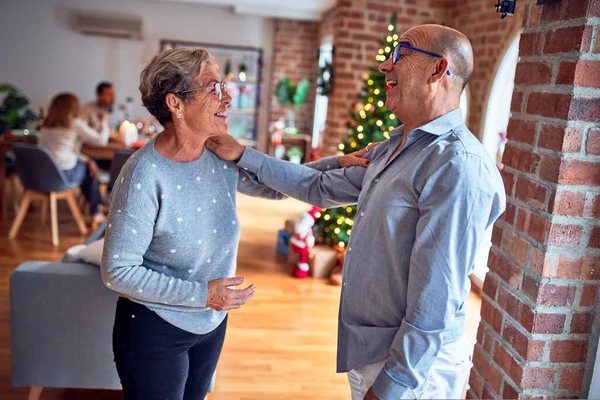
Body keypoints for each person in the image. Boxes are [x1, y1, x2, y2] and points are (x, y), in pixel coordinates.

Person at [206, 24, 506, 400]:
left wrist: (393, 387)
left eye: (402, 53)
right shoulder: (395, 147)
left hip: (412, 372)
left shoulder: (457, 167)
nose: (385, 67)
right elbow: (316, 187)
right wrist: (240, 157)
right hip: (371, 353)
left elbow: (436, 301)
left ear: (437, 70)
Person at [100, 47, 369, 400]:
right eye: (213, 88)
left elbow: (272, 187)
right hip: (155, 327)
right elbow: (118, 270)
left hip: (210, 321)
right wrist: (204, 294)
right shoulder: (143, 174)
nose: (227, 97)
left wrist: (336, 164)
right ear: (175, 104)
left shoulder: (217, 152)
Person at [39, 93, 108, 225]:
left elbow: (43, 151)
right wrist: (104, 122)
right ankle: (96, 211)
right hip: (64, 174)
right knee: (90, 172)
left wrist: (86, 159)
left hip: (45, 175)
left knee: (87, 166)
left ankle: (94, 207)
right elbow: (101, 141)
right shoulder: (74, 124)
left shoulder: (46, 125)